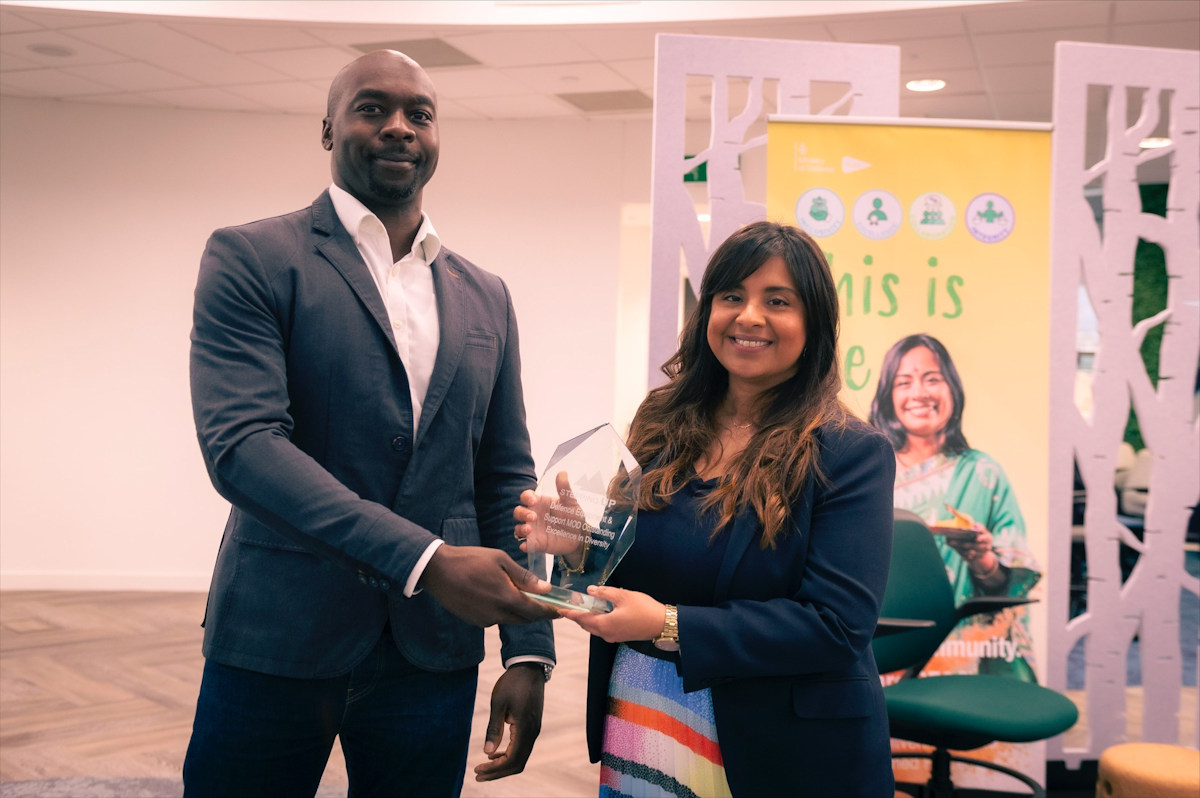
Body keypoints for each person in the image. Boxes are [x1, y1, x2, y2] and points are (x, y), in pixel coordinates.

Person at [184, 50, 557, 798]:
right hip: (279, 634)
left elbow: (505, 475)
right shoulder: (253, 257)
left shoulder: (486, 294)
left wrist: (527, 648)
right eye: (371, 108)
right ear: (328, 129)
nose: (398, 128)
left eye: (419, 114)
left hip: (433, 655)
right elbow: (245, 448)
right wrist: (428, 560)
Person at [515, 221, 896, 797]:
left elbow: (836, 625)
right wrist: (579, 548)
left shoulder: (849, 451)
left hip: (779, 742)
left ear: (813, 322)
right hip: (645, 706)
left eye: (778, 301)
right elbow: (628, 567)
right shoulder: (661, 423)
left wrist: (670, 624)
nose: (749, 316)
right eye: (731, 296)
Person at [869, 333, 1041, 681]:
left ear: (953, 389)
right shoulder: (867, 471)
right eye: (904, 382)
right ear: (889, 396)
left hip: (962, 655)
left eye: (932, 379)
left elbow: (1010, 586)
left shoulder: (982, 474)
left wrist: (983, 561)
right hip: (876, 645)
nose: (919, 393)